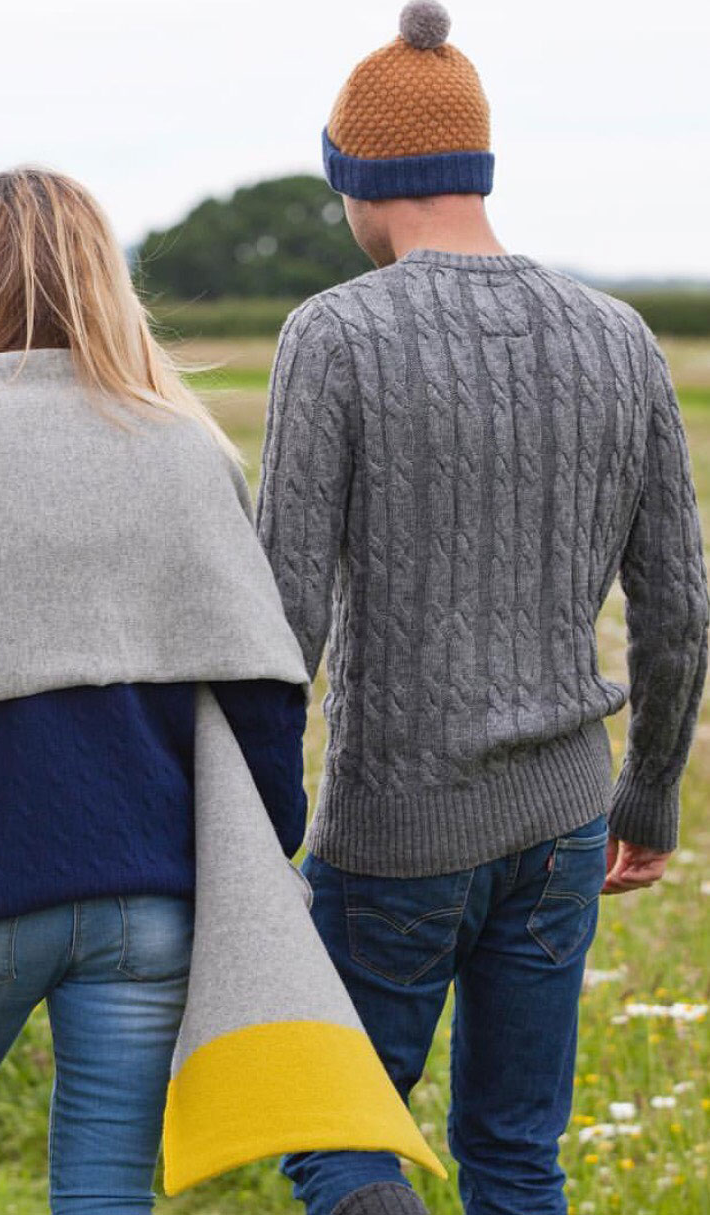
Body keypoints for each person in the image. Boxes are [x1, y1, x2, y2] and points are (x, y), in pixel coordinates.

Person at [0, 167, 441, 1215]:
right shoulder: (176, 440)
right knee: (104, 1192)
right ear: (108, 278)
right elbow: (261, 677)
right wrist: (257, 843)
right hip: (148, 891)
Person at [256, 4, 710, 1214]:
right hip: (564, 820)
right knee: (515, 1156)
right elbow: (676, 602)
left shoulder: (332, 334)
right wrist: (648, 791)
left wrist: (254, 820)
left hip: (393, 829)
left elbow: (282, 615)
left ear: (360, 178)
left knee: (332, 1129)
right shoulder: (618, 337)